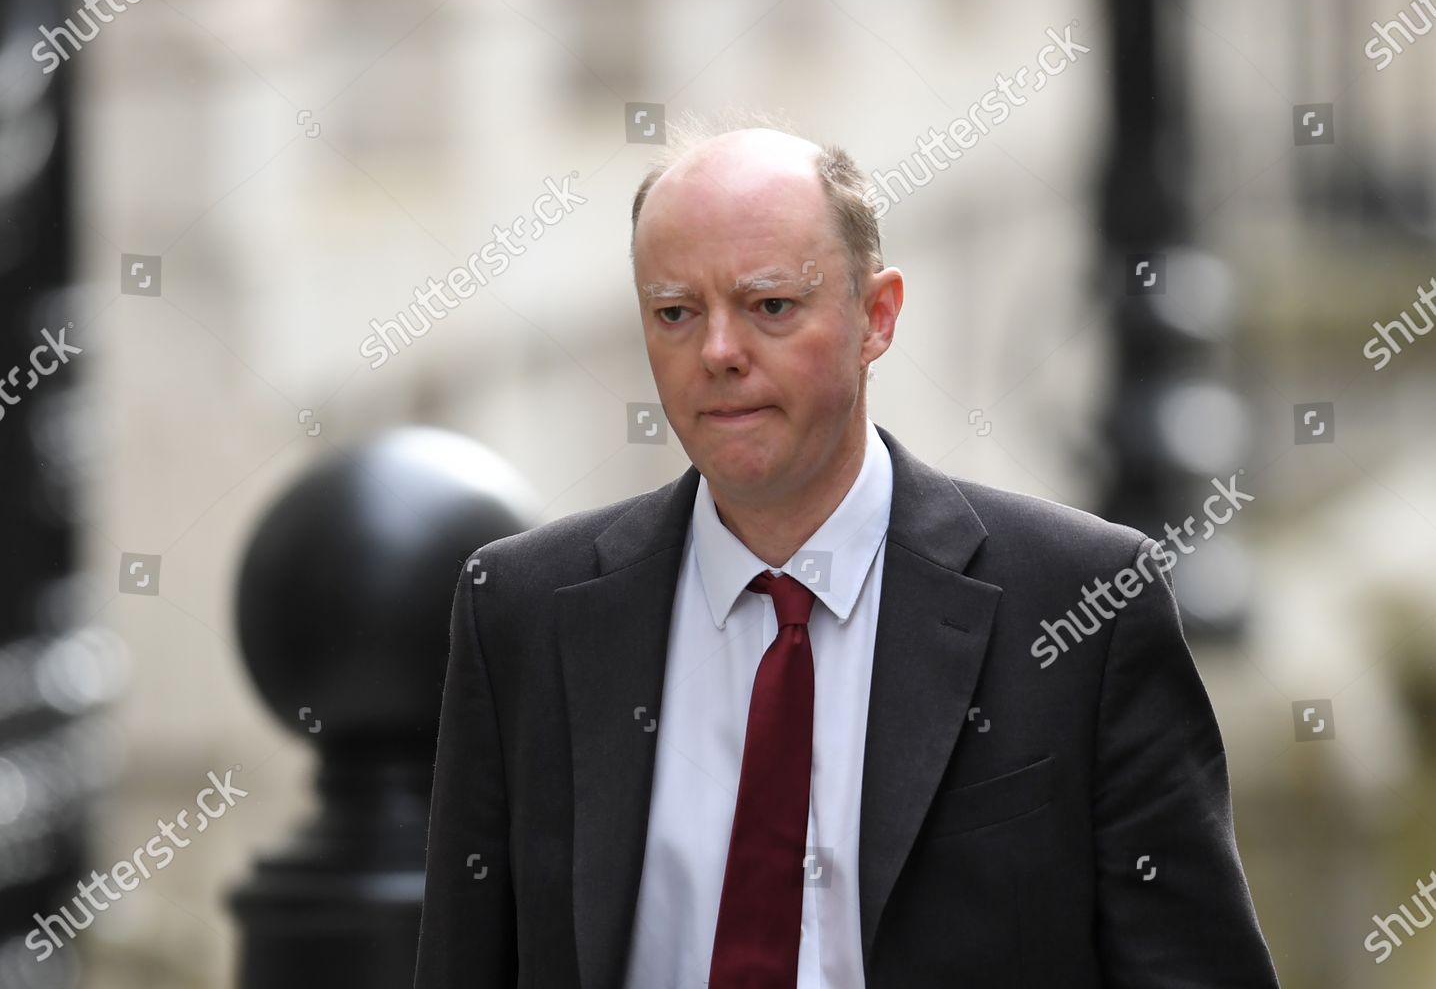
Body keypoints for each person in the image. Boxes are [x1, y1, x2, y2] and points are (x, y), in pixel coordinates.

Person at [412, 120, 1280, 987]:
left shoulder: (1081, 603)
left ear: (878, 315)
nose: (718, 352)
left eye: (770, 306)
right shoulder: (521, 609)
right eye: (676, 313)